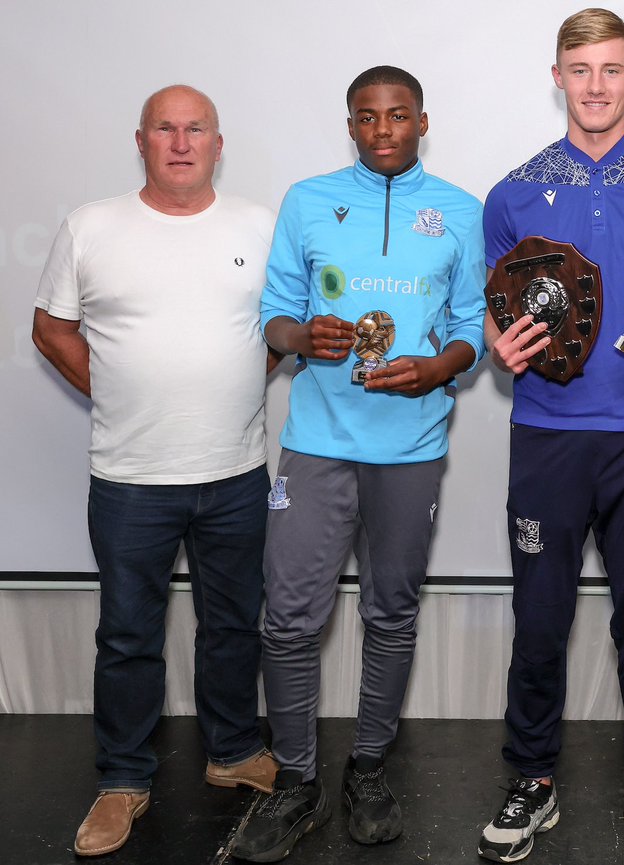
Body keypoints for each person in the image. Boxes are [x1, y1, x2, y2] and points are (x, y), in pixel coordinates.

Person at [227, 66, 485, 862]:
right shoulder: (306, 200)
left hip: (411, 447)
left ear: (422, 122)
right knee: (290, 618)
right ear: (350, 124)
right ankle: (298, 776)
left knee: (391, 612)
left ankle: (368, 767)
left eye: (398, 116)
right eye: (368, 118)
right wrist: (306, 338)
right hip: (317, 445)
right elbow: (274, 318)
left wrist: (441, 369)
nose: (383, 130)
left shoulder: (460, 210)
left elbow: (471, 327)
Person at [475, 9, 624, 864]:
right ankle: (530, 778)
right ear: (558, 76)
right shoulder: (514, 190)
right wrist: (500, 350)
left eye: (611, 69)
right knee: (540, 622)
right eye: (581, 70)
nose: (596, 86)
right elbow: (499, 316)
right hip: (547, 434)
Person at [32, 85, 279, 857]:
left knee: (234, 625)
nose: (180, 142)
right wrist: (116, 389)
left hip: (236, 469)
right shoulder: (91, 226)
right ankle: (123, 779)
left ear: (217, 141)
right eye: (165, 129)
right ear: (141, 141)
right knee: (129, 634)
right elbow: (50, 327)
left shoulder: (260, 226)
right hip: (131, 474)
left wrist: (241, 377)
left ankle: (233, 751)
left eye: (194, 129)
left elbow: (281, 327)